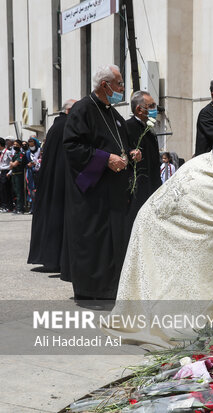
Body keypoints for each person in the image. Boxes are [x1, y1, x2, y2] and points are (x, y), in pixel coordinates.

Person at [105, 145, 213, 347]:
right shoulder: (211, 185)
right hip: (155, 226)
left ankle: (159, 314)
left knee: (169, 277)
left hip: (156, 219)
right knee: (175, 276)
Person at [60, 64, 141, 301]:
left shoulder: (113, 113)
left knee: (114, 242)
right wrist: (105, 159)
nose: (122, 88)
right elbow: (72, 146)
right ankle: (91, 291)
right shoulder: (82, 110)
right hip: (92, 195)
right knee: (95, 243)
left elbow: (120, 144)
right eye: (119, 83)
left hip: (113, 194)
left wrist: (131, 153)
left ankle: (112, 289)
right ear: (105, 85)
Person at [28, 99, 76, 271]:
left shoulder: (58, 125)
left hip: (52, 180)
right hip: (60, 181)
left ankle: (51, 259)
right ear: (70, 110)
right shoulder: (67, 126)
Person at [127, 91, 162, 221]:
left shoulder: (150, 132)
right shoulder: (127, 127)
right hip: (135, 192)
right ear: (139, 109)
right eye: (151, 105)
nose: (155, 109)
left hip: (151, 189)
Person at [9, 139, 26, 214]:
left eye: (17, 145)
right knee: (15, 192)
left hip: (19, 174)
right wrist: (12, 164)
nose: (15, 146)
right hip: (14, 174)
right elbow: (10, 166)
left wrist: (12, 163)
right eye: (14, 144)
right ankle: (17, 207)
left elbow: (15, 164)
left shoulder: (21, 154)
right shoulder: (15, 154)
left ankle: (20, 208)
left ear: (20, 146)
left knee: (19, 192)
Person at [25, 136, 42, 211]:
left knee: (40, 189)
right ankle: (33, 207)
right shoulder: (27, 153)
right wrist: (28, 165)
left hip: (39, 172)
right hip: (31, 173)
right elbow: (24, 163)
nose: (30, 143)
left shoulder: (40, 151)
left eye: (32, 141)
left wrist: (37, 163)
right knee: (31, 189)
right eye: (29, 142)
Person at [0, 137, 12, 212]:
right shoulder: (0, 153)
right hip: (1, 172)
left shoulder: (8, 152)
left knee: (5, 189)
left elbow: (11, 163)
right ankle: (3, 205)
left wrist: (9, 173)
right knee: (1, 190)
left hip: (6, 172)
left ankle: (7, 206)